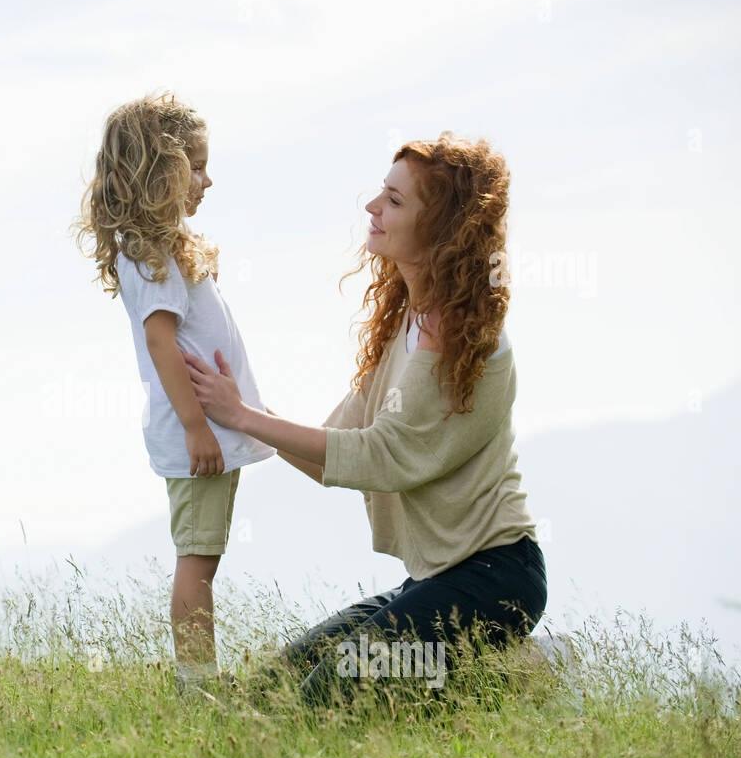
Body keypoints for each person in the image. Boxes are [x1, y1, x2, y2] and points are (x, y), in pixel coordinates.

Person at [181, 132, 547, 707]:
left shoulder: (455, 338)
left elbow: (378, 457)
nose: (373, 207)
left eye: (395, 201)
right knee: (277, 685)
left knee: (326, 695)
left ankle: (525, 678)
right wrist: (235, 409)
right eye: (382, 193)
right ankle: (474, 673)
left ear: (442, 230)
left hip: (496, 579)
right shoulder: (404, 323)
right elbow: (335, 449)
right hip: (434, 580)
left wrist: (244, 416)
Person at [73, 91, 276, 698]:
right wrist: (196, 427)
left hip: (211, 429)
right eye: (198, 165)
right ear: (165, 168)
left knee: (204, 553)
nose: (208, 180)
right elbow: (162, 344)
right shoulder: (150, 255)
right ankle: (197, 683)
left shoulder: (164, 249)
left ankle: (200, 677)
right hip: (198, 434)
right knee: (199, 558)